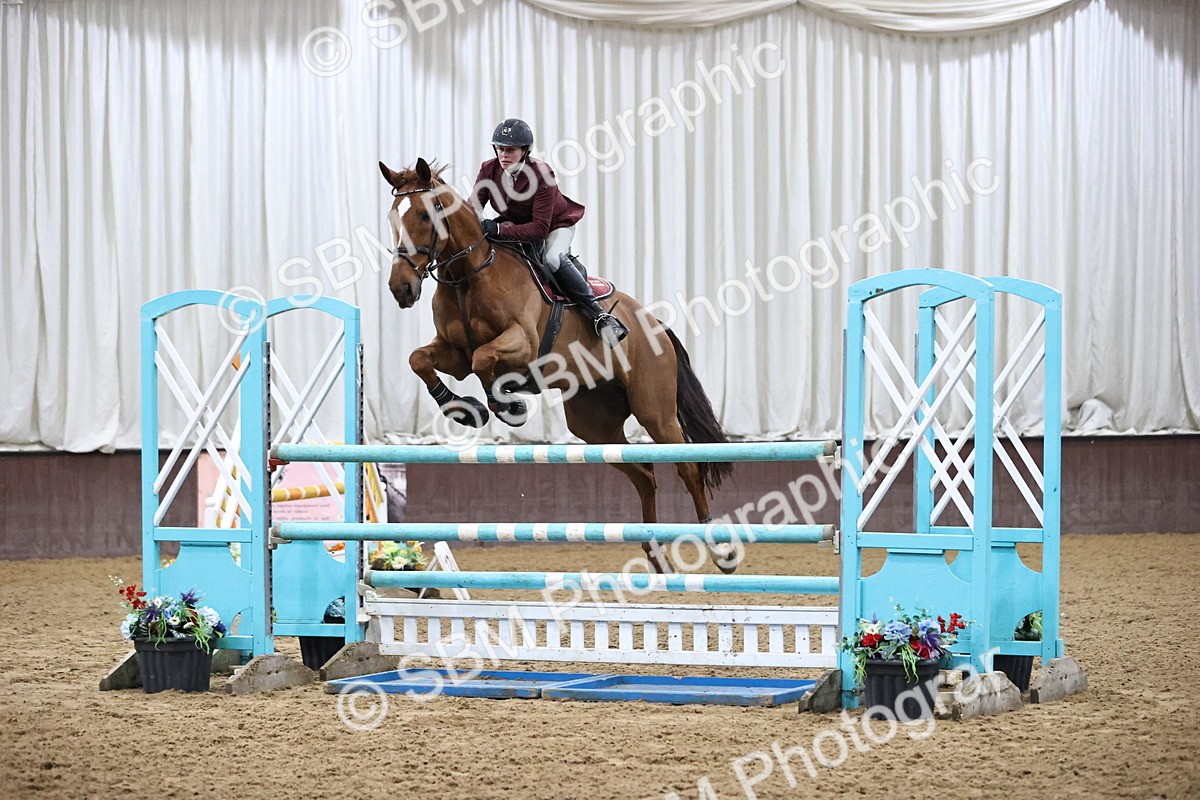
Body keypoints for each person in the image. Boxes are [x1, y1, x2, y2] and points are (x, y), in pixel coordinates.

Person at [472, 118, 628, 347]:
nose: (503, 155)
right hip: (514, 223)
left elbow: (539, 229)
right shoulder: (489, 169)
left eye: (510, 150)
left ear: (525, 151)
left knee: (552, 258)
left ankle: (600, 316)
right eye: (500, 149)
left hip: (554, 225)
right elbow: (473, 207)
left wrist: (497, 228)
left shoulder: (542, 175)